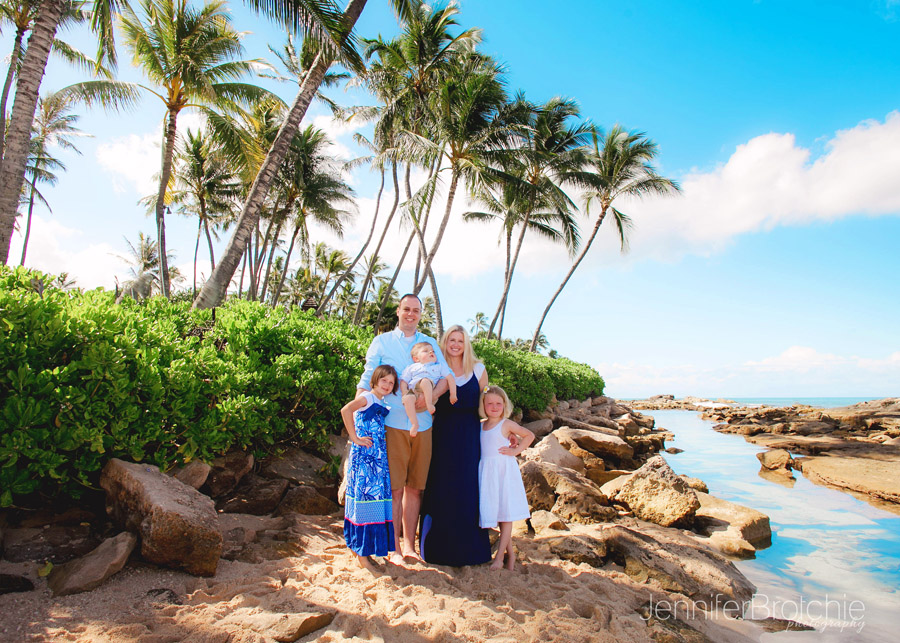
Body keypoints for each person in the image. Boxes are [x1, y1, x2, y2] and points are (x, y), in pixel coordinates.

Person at [356, 294, 447, 564]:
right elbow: (367, 377)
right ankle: (393, 547)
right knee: (395, 489)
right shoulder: (381, 341)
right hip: (392, 423)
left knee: (416, 488)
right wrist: (359, 415)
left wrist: (429, 400)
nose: (410, 314)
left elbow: (443, 378)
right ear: (398, 311)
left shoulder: (430, 343)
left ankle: (410, 546)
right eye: (406, 309)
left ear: (420, 314)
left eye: (416, 311)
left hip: (425, 425)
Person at [419, 324, 493, 566]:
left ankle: (470, 551)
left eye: (460, 340)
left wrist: (503, 431)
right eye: (452, 339)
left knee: (468, 489)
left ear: (466, 344)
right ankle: (434, 550)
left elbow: (489, 406)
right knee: (439, 488)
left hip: (470, 437)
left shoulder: (479, 369)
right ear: (445, 341)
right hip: (441, 436)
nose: (456, 344)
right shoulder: (436, 369)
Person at [340, 365, 398, 571]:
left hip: (376, 460)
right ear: (375, 380)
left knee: (371, 502)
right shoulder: (367, 397)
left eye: (391, 383)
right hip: (365, 460)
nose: (387, 385)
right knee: (365, 501)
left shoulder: (380, 401)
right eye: (384, 381)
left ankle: (360, 549)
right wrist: (354, 437)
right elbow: (346, 410)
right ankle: (362, 555)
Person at [478, 384, 534, 571]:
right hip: (487, 472)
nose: (494, 407)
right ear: (483, 405)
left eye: (498, 403)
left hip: (503, 470)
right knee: (498, 513)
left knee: (506, 514)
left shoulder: (506, 424)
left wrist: (516, 450)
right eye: (490, 403)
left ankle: (499, 558)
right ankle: (511, 555)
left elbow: (529, 435)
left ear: (505, 405)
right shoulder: (481, 425)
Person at [399, 342, 457, 436]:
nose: (431, 352)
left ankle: (429, 404)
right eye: (426, 351)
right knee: (407, 399)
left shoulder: (439, 366)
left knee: (425, 381)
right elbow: (403, 381)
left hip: (429, 390)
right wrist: (404, 392)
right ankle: (414, 424)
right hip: (414, 391)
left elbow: (450, 378)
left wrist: (453, 394)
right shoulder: (412, 367)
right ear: (416, 359)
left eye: (432, 351)